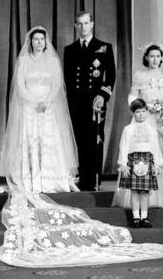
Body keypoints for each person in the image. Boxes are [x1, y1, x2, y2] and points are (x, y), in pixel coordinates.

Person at [1, 26, 79, 193]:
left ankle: (49, 179)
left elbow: (57, 84)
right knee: (31, 140)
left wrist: (46, 101)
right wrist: (33, 100)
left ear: (46, 42)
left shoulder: (52, 61)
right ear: (30, 41)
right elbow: (20, 85)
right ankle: (29, 177)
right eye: (35, 39)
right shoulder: (23, 61)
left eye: (41, 39)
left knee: (47, 140)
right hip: (29, 107)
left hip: (48, 107)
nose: (39, 42)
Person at [63, 11, 116, 191]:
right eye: (79, 24)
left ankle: (94, 180)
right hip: (76, 103)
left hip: (96, 103)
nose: (83, 27)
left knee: (94, 140)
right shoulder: (69, 50)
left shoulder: (104, 47)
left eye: (86, 23)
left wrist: (103, 95)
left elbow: (111, 76)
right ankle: (83, 178)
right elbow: (68, 80)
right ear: (75, 26)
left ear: (92, 24)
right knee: (79, 141)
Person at [125, 43, 163, 208]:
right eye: (152, 56)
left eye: (157, 56)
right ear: (146, 58)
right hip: (145, 120)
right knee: (144, 155)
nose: (155, 59)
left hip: (162, 120)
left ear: (161, 58)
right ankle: (141, 196)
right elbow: (132, 97)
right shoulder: (140, 76)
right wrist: (141, 111)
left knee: (162, 154)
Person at [116, 99, 163, 227]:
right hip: (133, 160)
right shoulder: (128, 129)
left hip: (147, 160)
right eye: (138, 112)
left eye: (143, 111)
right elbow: (123, 146)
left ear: (147, 112)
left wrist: (157, 164)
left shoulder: (151, 130)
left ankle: (144, 217)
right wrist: (123, 164)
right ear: (133, 113)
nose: (141, 114)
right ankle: (136, 217)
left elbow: (155, 147)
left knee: (145, 191)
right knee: (135, 191)